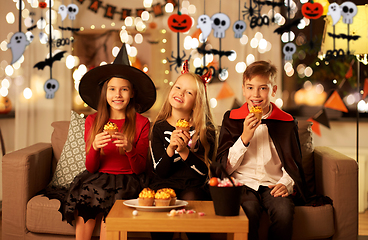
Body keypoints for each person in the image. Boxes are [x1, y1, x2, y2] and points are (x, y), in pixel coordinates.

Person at [44, 43, 156, 240]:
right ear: (105, 92)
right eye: (112, 89)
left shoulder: (142, 122)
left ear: (132, 94)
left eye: (124, 89)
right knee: (88, 198)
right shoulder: (93, 121)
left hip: (128, 179)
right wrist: (94, 147)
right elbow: (91, 166)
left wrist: (129, 148)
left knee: (111, 220)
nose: (118, 95)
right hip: (98, 177)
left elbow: (139, 169)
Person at [214, 60, 310, 240]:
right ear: (243, 89)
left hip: (273, 183)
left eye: (263, 88)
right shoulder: (232, 119)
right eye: (250, 88)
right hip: (242, 184)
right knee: (248, 212)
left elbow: (293, 163)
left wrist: (286, 184)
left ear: (273, 90)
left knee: (283, 213)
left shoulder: (286, 122)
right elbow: (224, 168)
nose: (255, 95)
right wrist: (244, 138)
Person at [149, 62, 217, 240]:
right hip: (164, 183)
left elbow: (203, 173)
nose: (180, 93)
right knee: (161, 206)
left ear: (197, 102)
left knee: (193, 200)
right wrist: (171, 148)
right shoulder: (158, 127)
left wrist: (185, 152)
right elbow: (160, 172)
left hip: (193, 185)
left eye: (189, 92)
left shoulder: (205, 130)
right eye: (178, 87)